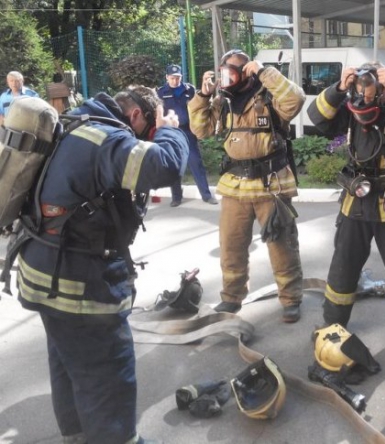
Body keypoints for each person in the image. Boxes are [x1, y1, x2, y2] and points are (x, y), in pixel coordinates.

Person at [13, 87, 189, 444]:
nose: (147, 137)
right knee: (108, 377)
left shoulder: (75, 124)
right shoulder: (104, 139)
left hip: (42, 275)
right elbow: (164, 166)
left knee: (68, 363)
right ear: (137, 117)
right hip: (80, 288)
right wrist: (171, 128)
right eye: (149, 129)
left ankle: (76, 435)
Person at [307, 61, 385, 328]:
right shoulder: (351, 111)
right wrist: (339, 88)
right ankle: (332, 331)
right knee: (343, 269)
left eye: (370, 87)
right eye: (359, 87)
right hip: (355, 204)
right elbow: (316, 116)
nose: (363, 94)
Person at [188, 49, 305, 323]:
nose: (227, 75)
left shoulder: (268, 95)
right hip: (235, 187)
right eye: (224, 70)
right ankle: (231, 297)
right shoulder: (223, 102)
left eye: (234, 69)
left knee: (282, 245)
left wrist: (265, 72)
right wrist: (202, 97)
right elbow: (200, 130)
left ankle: (290, 299)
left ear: (248, 70)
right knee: (231, 246)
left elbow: (295, 99)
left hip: (271, 185)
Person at [158, 64, 217, 207]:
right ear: (167, 78)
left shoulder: (189, 89)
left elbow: (199, 105)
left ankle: (206, 195)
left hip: (188, 132)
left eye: (177, 78)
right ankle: (176, 197)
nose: (175, 81)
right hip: (171, 133)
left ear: (181, 77)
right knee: (174, 164)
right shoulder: (160, 92)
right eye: (172, 78)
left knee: (195, 162)